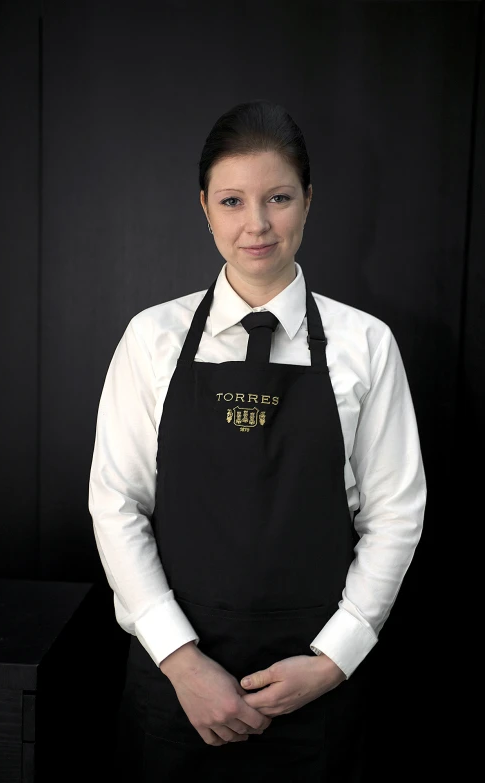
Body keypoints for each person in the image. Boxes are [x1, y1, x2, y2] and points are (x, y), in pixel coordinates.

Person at [88, 99, 426, 782]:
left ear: (308, 200)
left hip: (317, 691)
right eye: (234, 200)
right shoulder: (151, 338)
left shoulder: (366, 344)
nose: (257, 224)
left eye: (278, 197)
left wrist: (333, 659)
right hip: (175, 688)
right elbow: (115, 504)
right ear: (205, 207)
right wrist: (182, 662)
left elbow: (396, 514)